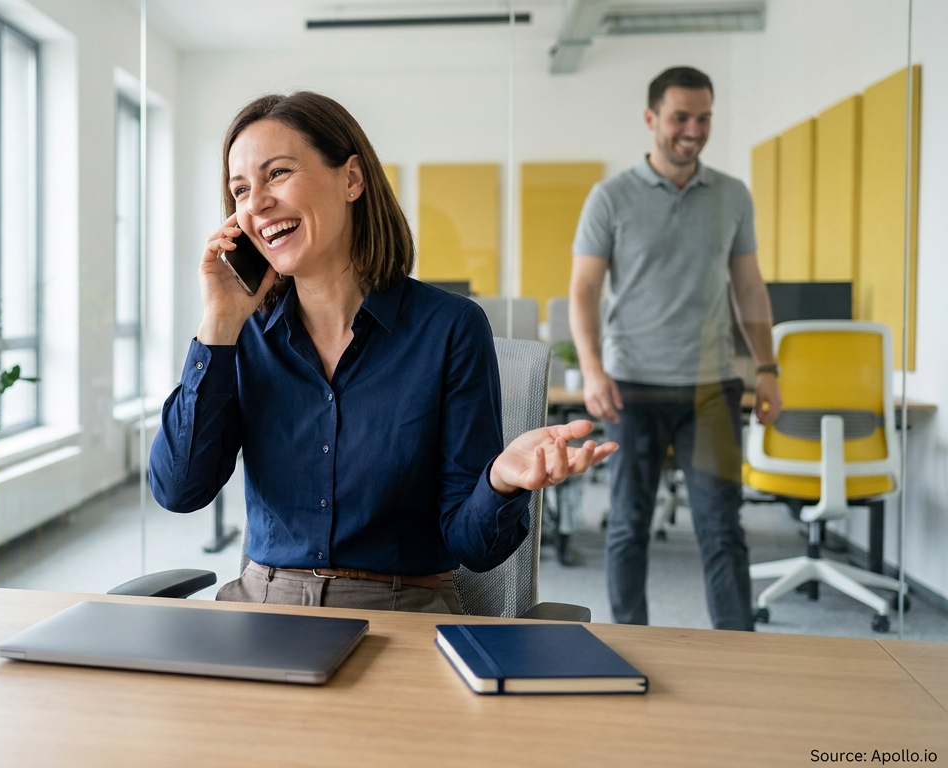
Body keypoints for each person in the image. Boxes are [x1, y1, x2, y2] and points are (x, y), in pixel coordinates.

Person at [149, 91, 616, 614]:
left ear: (351, 178)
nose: (255, 203)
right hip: (263, 605)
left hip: (400, 612)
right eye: (240, 189)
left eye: (277, 173)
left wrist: (499, 482)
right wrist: (218, 322)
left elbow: (473, 547)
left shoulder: (450, 328)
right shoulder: (243, 334)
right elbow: (178, 490)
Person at [569, 66, 782, 632]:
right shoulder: (610, 197)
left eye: (704, 117)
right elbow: (583, 291)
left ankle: (738, 645)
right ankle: (631, 639)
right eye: (680, 117)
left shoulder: (732, 195)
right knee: (629, 525)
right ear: (651, 119)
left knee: (720, 526)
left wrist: (767, 369)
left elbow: (749, 288)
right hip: (631, 387)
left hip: (711, 387)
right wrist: (592, 371)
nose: (693, 129)